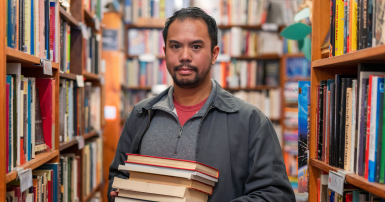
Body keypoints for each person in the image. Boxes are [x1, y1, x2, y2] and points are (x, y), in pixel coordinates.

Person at [108, 7, 295, 202]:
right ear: (165, 52)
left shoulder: (251, 121)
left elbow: (276, 195)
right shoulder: (141, 114)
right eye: (175, 46)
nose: (185, 56)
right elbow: (117, 180)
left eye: (196, 46)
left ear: (214, 54)